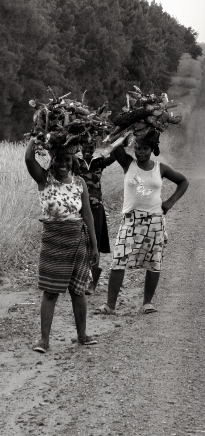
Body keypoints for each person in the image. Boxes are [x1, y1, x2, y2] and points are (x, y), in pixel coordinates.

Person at [96, 130, 189, 315]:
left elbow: (183, 182)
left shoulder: (160, 168)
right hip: (130, 220)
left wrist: (169, 203)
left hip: (154, 220)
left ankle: (147, 303)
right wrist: (128, 128)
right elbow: (115, 146)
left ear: (152, 149)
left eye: (145, 148)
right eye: (137, 148)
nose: (140, 152)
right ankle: (110, 306)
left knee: (154, 261)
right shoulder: (128, 164)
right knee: (118, 260)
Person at [25, 139, 100, 351]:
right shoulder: (44, 179)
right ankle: (44, 340)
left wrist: (94, 246)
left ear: (73, 161)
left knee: (79, 291)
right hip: (53, 241)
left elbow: (87, 215)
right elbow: (29, 158)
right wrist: (35, 139)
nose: (62, 164)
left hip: (77, 240)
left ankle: (82, 335)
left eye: (67, 160)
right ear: (52, 160)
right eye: (58, 159)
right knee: (50, 292)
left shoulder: (79, 184)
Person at [77, 143, 116, 294]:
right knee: (78, 243)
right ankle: (77, 278)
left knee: (95, 244)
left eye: (90, 149)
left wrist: (120, 141)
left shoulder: (99, 162)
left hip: (96, 208)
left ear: (94, 149)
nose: (87, 151)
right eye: (85, 148)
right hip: (78, 207)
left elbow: (115, 156)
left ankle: (92, 284)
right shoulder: (75, 162)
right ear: (81, 149)